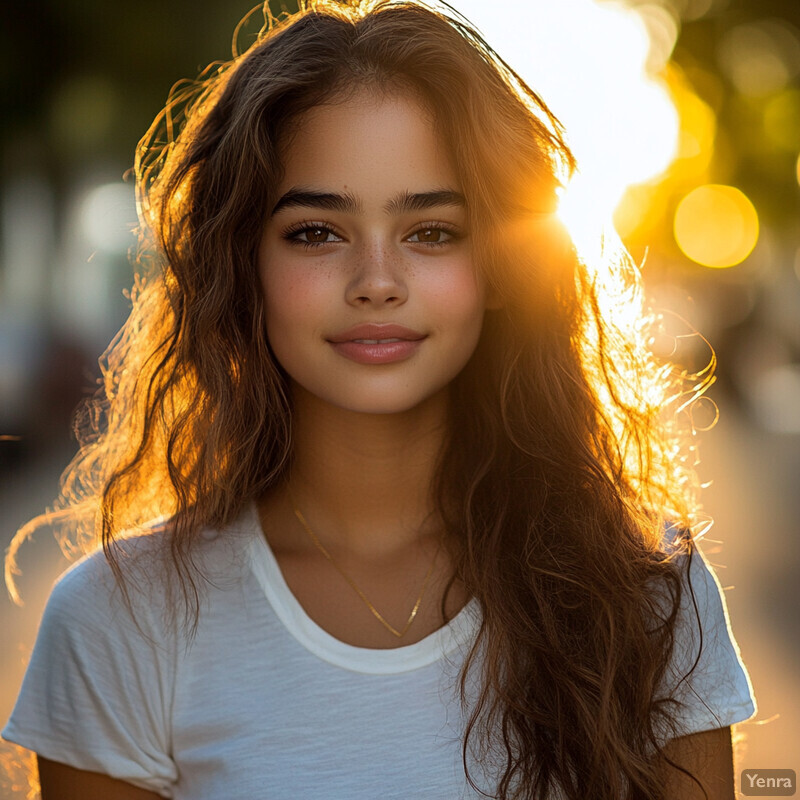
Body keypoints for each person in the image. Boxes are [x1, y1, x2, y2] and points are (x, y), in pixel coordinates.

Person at [2, 1, 756, 798]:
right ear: (242, 264)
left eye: (431, 231)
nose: (377, 284)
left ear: (504, 265)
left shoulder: (646, 596)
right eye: (316, 233)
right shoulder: (118, 622)